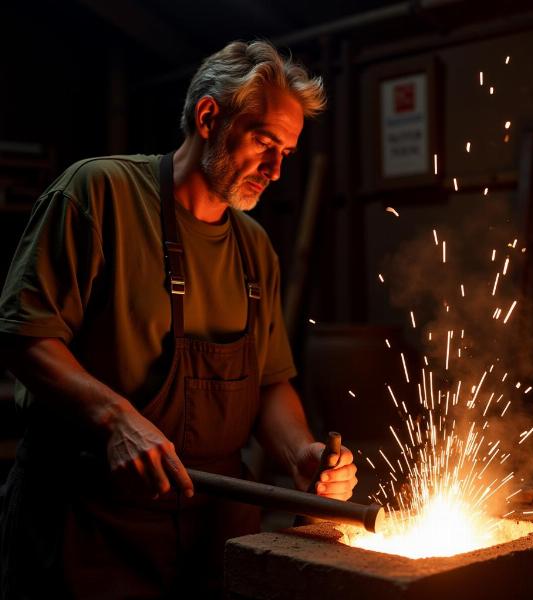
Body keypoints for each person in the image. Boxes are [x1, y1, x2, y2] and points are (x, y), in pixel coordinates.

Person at [0, 40, 357, 598]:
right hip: (88, 526)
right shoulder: (99, 194)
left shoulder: (254, 247)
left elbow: (269, 384)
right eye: (265, 143)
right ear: (209, 116)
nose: (276, 170)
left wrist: (302, 454)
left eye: (285, 152)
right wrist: (115, 419)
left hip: (215, 533)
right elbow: (24, 337)